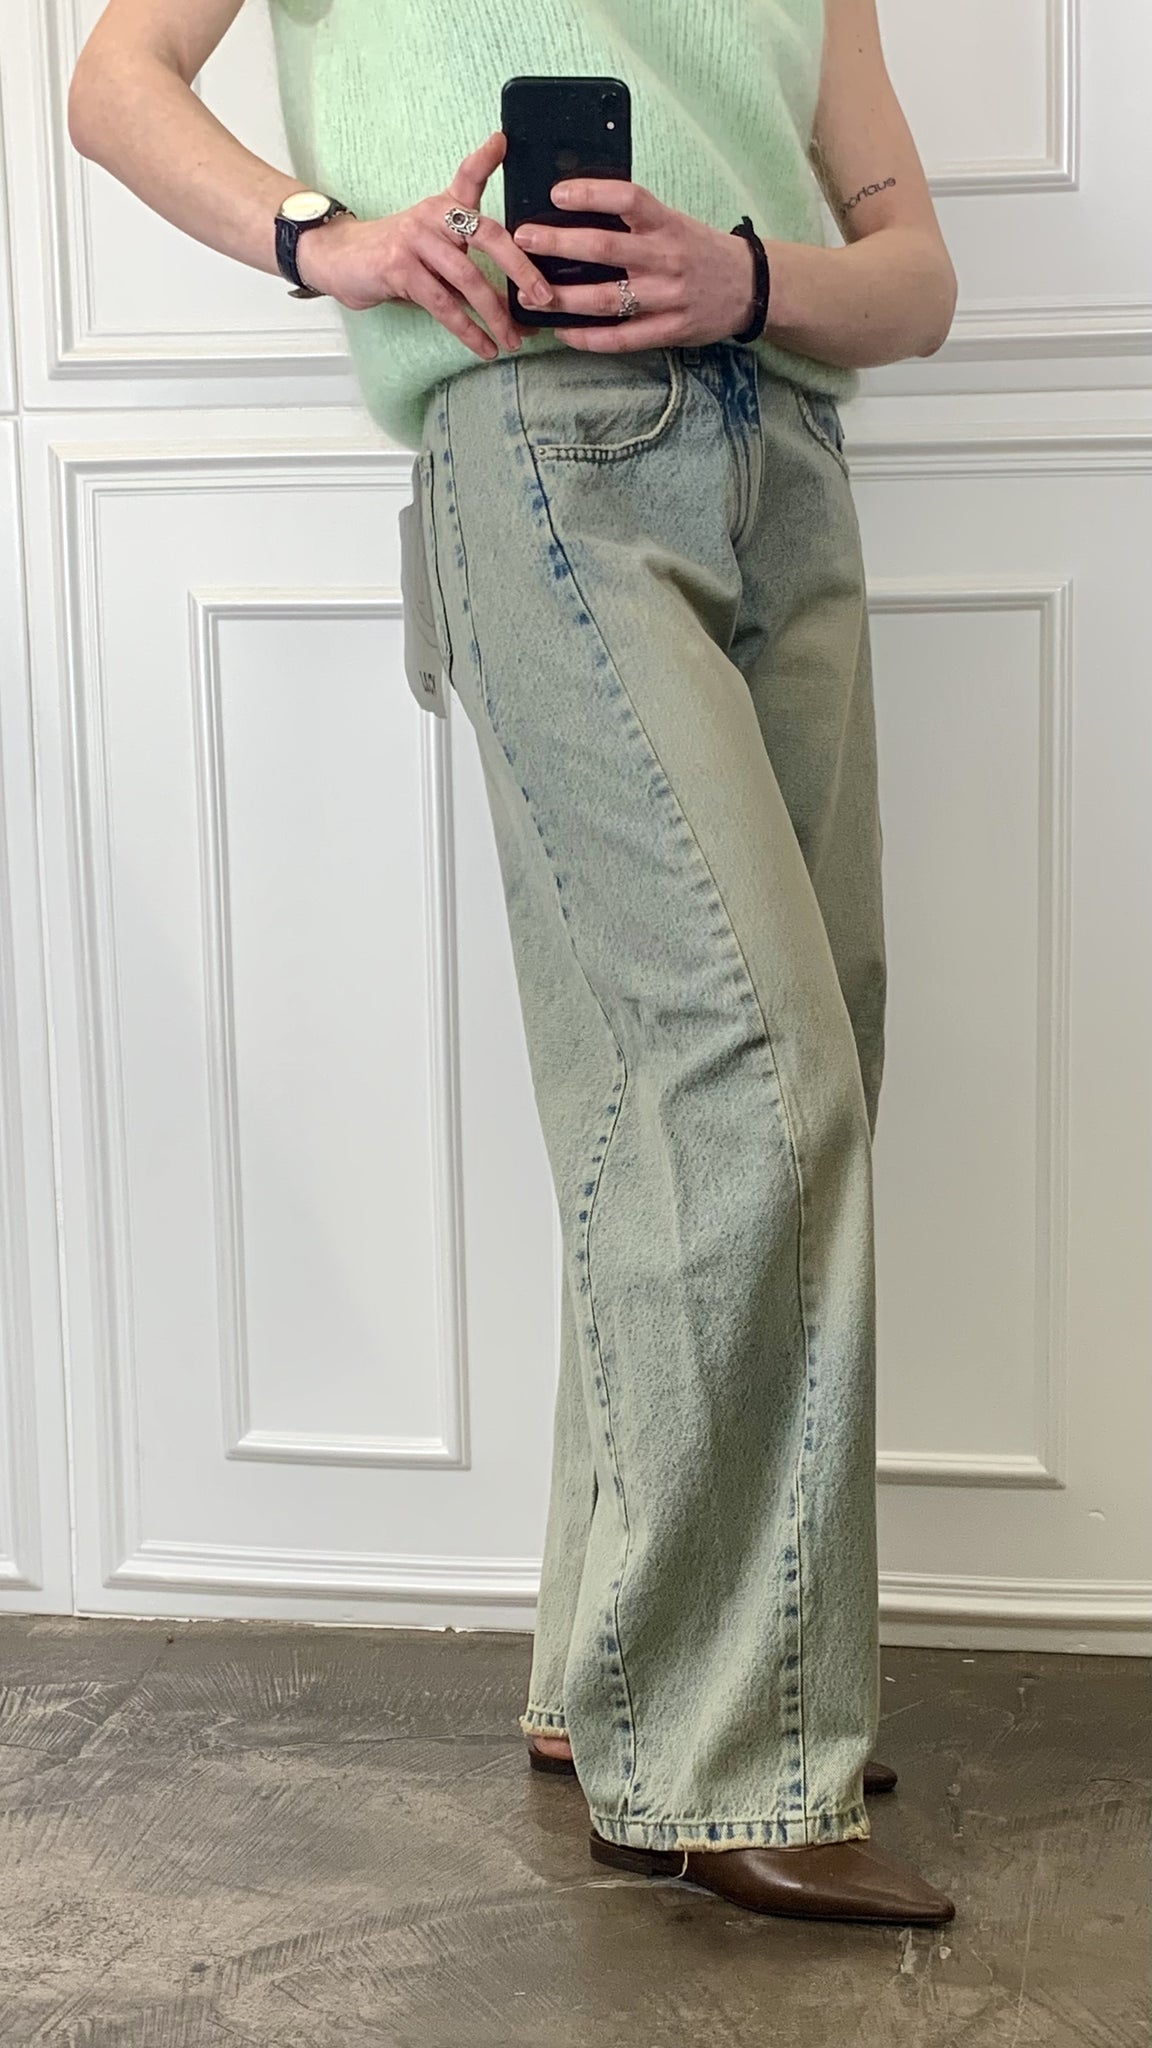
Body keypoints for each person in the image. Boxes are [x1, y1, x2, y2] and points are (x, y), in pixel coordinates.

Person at [69, 0, 958, 1927]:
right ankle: (722, 1754)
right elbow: (115, 84)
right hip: (550, 451)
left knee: (744, 1077)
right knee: (745, 1068)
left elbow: (915, 281)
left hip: (791, 468)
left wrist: (744, 275)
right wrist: (331, 238)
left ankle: (619, 1665)